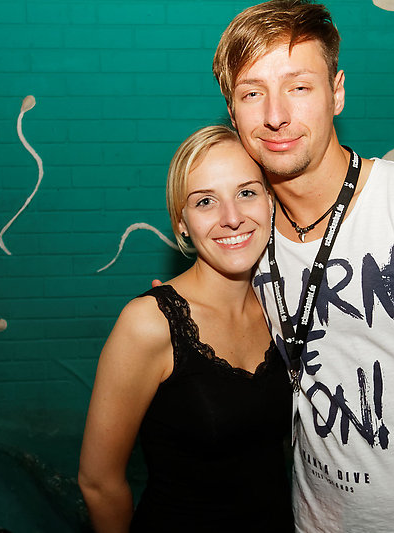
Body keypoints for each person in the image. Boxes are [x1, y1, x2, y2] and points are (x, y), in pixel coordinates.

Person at [212, 1, 394, 532]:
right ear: (233, 113)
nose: (276, 114)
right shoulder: (245, 232)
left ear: (337, 92)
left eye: (299, 87)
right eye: (252, 93)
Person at [78, 125, 295, 533]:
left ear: (270, 201)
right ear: (181, 222)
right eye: (205, 201)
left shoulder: (283, 307)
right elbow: (98, 484)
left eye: (246, 193)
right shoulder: (150, 323)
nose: (232, 218)